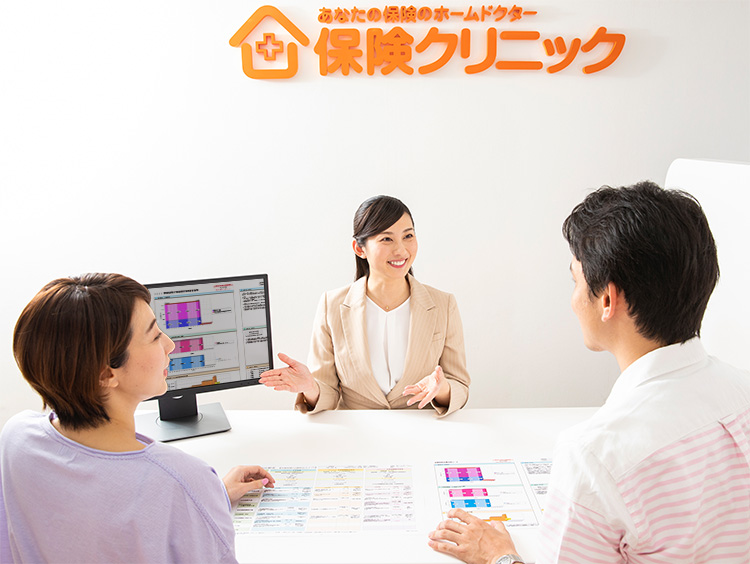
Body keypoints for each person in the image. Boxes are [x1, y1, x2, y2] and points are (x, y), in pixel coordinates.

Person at [428, 181, 750, 563]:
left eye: (576, 281)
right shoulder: (742, 394)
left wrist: (499, 556)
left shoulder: (594, 457)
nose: (573, 299)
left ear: (608, 300)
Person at [0, 273, 275, 563]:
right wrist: (197, 495)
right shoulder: (182, 480)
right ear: (106, 373)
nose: (170, 345)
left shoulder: (16, 437)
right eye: (155, 336)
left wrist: (207, 500)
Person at [260, 195, 470, 417]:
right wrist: (311, 387)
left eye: (408, 236)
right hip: (355, 431)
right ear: (359, 249)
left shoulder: (443, 305)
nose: (401, 250)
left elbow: (459, 385)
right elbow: (328, 392)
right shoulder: (331, 306)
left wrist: (442, 389)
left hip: (423, 430)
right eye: (386, 239)